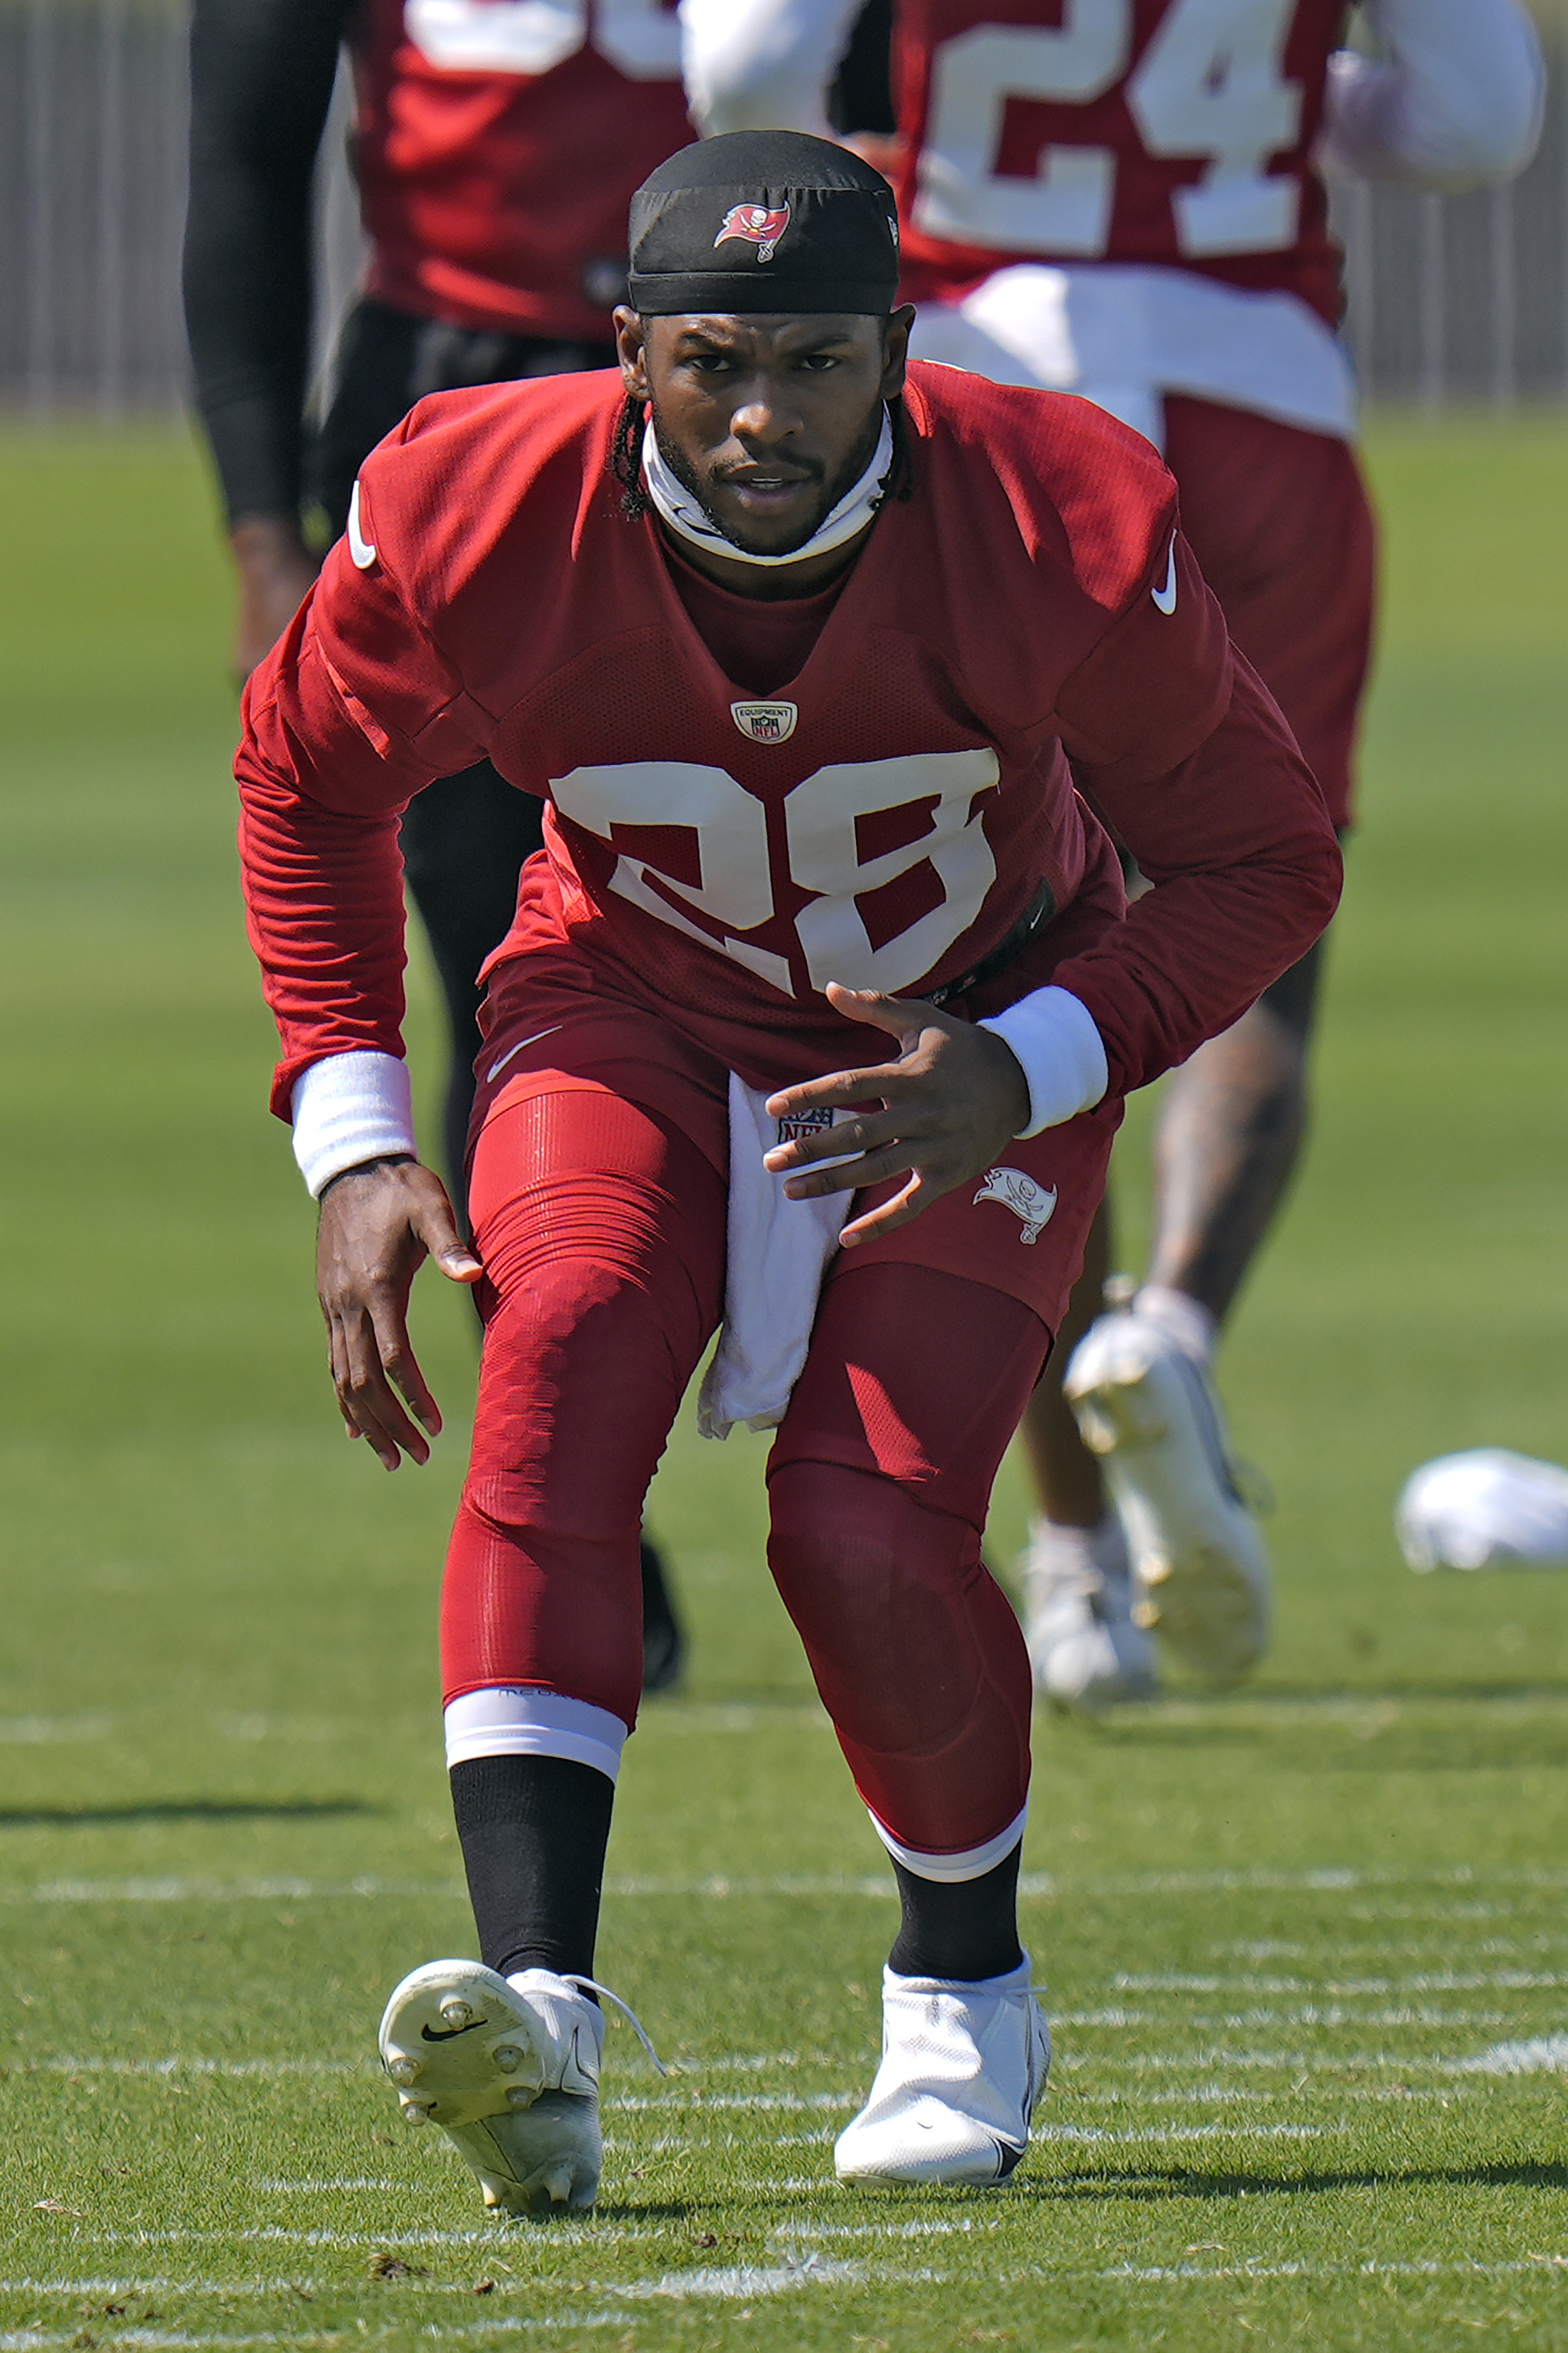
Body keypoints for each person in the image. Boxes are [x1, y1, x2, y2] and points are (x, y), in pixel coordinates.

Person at [237, 129, 1340, 2211]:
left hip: (971, 1019)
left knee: (860, 1519)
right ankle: (539, 2008)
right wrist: (355, 1133)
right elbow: (304, 778)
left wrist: (1023, 1066)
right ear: (628, 346)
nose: (763, 417)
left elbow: (1267, 859)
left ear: (900, 360)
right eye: (714, 358)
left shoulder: (1058, 514)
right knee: (558, 1349)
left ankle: (964, 1988)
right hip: (626, 983)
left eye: (818, 364)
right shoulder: (473, 501)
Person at [681, 0, 1545, 1711]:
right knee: (1256, 904)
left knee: (998, 952)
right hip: (1255, 396)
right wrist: (1298, 112)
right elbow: (1478, 122)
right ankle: (1177, 1330)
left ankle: (1073, 1544)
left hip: (994, 387)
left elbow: (747, 73)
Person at [183, 0, 698, 1685]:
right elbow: (244, 181)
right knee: (504, 974)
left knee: (862, 905)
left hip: (756, 409)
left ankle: (921, 1453)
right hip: (460, 401)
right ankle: (575, 1485)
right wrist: (267, 524)